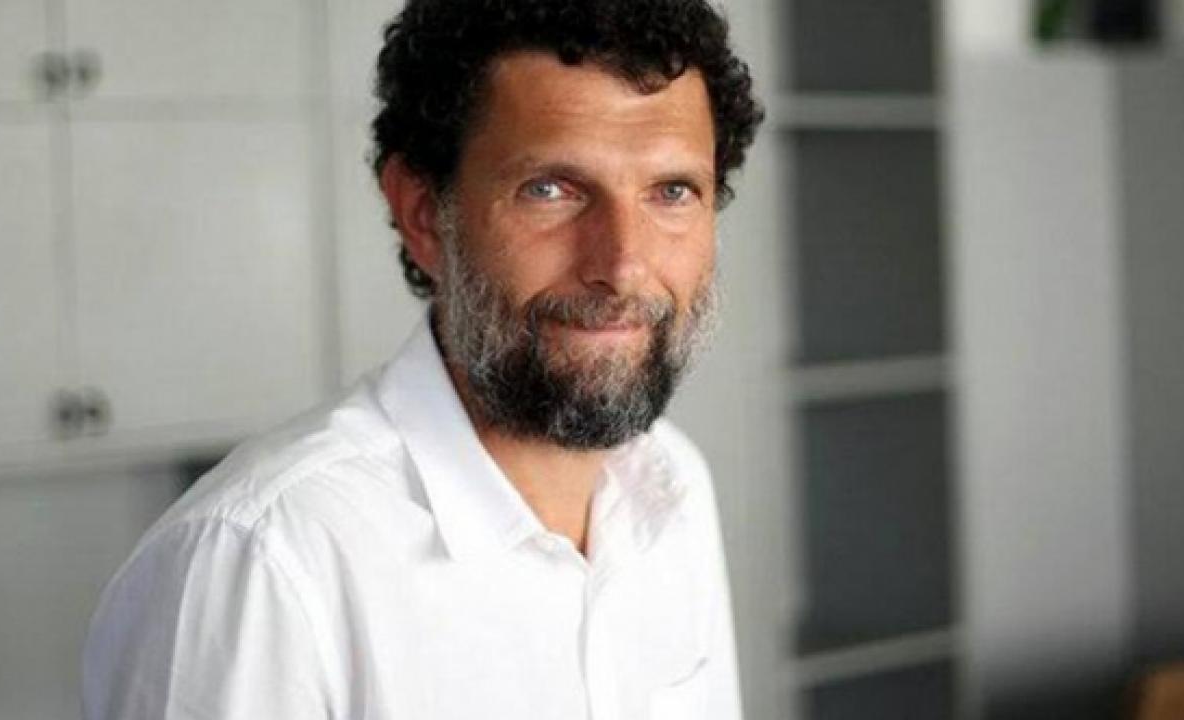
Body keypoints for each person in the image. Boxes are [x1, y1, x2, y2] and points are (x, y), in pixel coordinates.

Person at [81, 0, 763, 718]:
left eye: (672, 191)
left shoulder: (672, 484)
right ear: (423, 214)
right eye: (550, 190)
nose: (622, 267)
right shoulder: (260, 563)